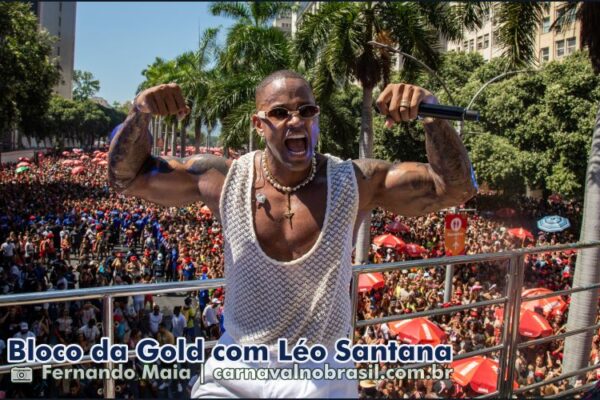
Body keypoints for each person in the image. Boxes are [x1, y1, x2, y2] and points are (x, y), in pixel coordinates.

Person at [108, 70, 476, 398]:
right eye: (280, 113)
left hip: (321, 369)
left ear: (317, 119)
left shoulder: (354, 181)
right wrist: (139, 112)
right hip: (237, 363)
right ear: (258, 124)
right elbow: (126, 177)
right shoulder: (222, 179)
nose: (296, 120)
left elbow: (456, 188)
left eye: (306, 111)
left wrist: (431, 114)